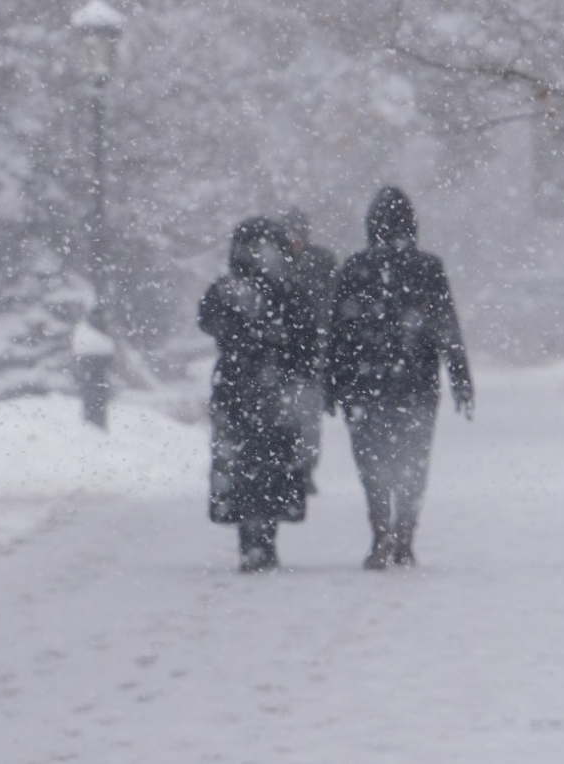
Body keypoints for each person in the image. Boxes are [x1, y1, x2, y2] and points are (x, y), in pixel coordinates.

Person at [324, 186, 474, 570]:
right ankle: (405, 536)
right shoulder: (428, 267)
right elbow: (446, 328)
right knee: (413, 461)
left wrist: (332, 384)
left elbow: (338, 333)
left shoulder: (355, 268)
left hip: (365, 385)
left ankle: (380, 533)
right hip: (416, 384)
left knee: (372, 462)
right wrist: (460, 379)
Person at [199, 217, 318, 572]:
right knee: (273, 463)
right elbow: (306, 339)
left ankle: (250, 538)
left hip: (237, 387)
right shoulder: (289, 289)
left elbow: (207, 321)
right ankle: (264, 535)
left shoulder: (228, 288)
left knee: (242, 463)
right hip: (275, 390)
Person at [280, 207, 338, 493]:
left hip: (310, 355)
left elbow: (332, 304)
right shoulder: (276, 266)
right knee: (287, 416)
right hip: (284, 357)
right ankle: (288, 466)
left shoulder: (321, 262)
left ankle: (303, 469)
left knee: (308, 419)